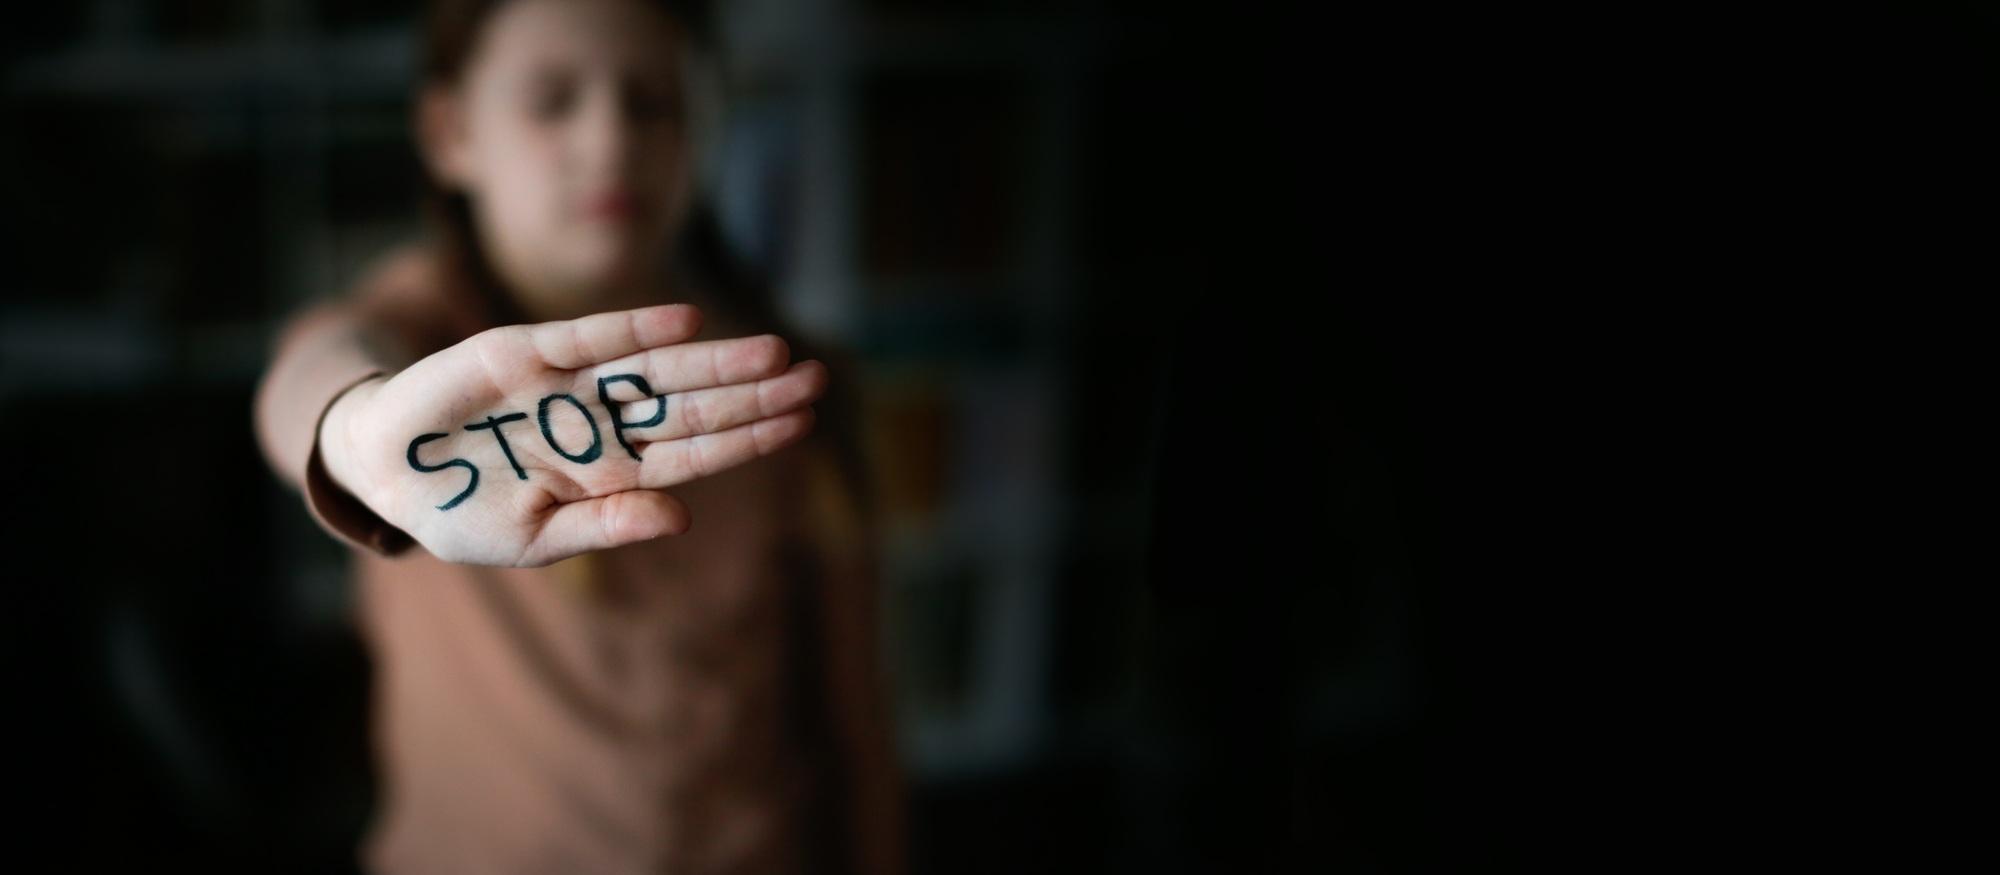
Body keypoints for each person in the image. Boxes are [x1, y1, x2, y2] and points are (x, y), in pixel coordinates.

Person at [250, 0, 905, 872]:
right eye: (552, 99)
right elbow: (314, 367)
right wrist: (356, 431)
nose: (609, 142)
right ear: (451, 133)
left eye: (651, 101)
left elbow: (853, 715)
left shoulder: (776, 381)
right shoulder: (417, 337)